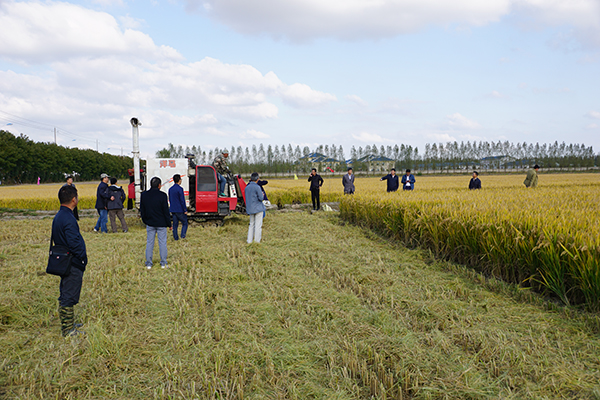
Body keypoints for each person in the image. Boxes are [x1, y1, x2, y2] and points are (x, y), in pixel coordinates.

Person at [53, 185, 87, 337]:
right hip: (72, 262)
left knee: (66, 291)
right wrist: (82, 257)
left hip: (63, 260)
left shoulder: (60, 216)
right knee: (69, 295)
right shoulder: (68, 218)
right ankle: (68, 329)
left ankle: (69, 323)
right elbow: (74, 243)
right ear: (74, 200)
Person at [140, 177, 171, 269]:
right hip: (161, 223)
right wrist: (169, 224)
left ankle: (149, 263)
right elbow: (166, 211)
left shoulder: (144, 195)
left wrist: (145, 220)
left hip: (150, 222)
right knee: (162, 243)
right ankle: (163, 263)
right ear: (159, 185)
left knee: (150, 243)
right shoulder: (163, 195)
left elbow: (142, 210)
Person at [245, 172, 266, 243]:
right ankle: (257, 241)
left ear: (250, 179)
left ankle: (249, 241)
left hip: (250, 209)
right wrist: (262, 194)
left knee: (251, 225)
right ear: (257, 179)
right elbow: (261, 198)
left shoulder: (247, 187)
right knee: (258, 226)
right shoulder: (257, 187)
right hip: (258, 208)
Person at [168, 174, 188, 241]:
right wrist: (185, 209)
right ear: (179, 180)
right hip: (179, 209)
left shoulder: (170, 189)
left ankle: (175, 238)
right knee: (185, 223)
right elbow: (182, 200)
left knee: (175, 225)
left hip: (173, 209)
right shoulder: (180, 189)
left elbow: (170, 199)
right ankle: (183, 236)